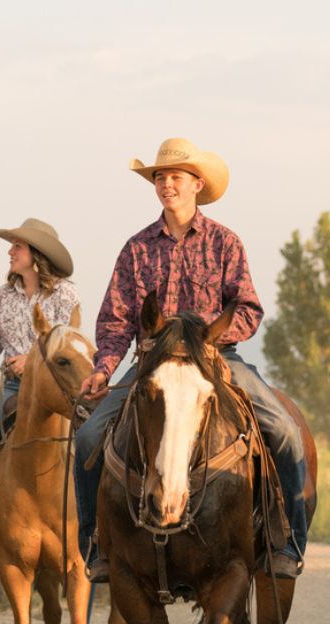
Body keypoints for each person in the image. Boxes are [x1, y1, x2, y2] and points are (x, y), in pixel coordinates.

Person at [75, 137, 307, 583]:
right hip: (153, 361)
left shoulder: (225, 242)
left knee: (284, 430)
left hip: (216, 356)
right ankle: (96, 545)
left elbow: (248, 308)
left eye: (175, 177)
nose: (166, 185)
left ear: (197, 184)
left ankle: (288, 540)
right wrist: (104, 367)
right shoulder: (136, 248)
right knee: (87, 438)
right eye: (160, 178)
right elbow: (116, 317)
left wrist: (208, 336)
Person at [0, 218, 80, 562]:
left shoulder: (65, 295)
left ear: (36, 254)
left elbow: (68, 343)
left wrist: (30, 360)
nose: (10, 251)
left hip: (55, 386)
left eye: (17, 246)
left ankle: (92, 523)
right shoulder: (3, 295)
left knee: (89, 442)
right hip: (12, 387)